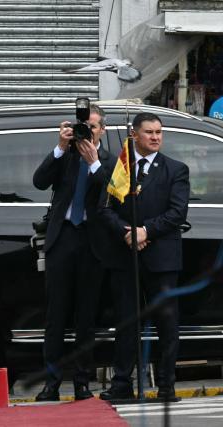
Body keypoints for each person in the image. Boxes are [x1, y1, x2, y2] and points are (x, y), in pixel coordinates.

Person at [98, 113, 189, 400]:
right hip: (126, 257)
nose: (155, 137)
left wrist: (145, 231)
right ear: (134, 135)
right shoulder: (120, 168)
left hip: (161, 259)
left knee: (166, 323)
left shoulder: (175, 169)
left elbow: (177, 213)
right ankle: (122, 383)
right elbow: (105, 209)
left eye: (159, 132)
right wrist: (127, 232)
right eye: (149, 132)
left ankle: (165, 385)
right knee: (126, 322)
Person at [32, 105, 117, 401]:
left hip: (92, 243)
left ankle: (82, 382)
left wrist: (93, 162)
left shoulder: (110, 160)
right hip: (63, 237)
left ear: (102, 130)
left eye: (93, 128)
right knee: (55, 316)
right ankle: (51, 383)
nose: (87, 133)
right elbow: (39, 181)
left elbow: (111, 192)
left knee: (86, 317)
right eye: (83, 127)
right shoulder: (65, 155)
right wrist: (60, 146)